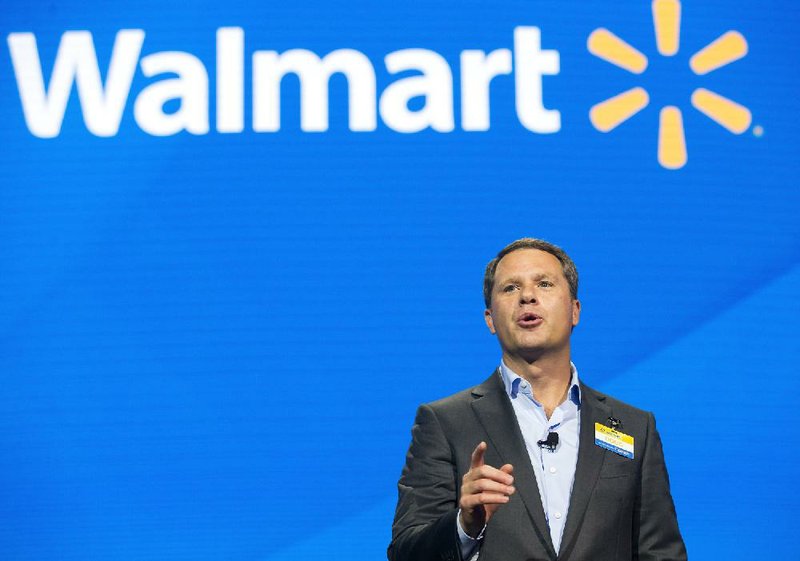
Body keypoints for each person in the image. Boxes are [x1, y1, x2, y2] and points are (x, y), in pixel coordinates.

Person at [388, 238, 686, 561]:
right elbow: (405, 553)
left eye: (544, 283)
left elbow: (662, 555)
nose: (527, 296)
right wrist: (464, 526)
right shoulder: (445, 423)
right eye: (510, 288)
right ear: (489, 318)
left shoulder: (635, 428)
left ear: (575, 311)